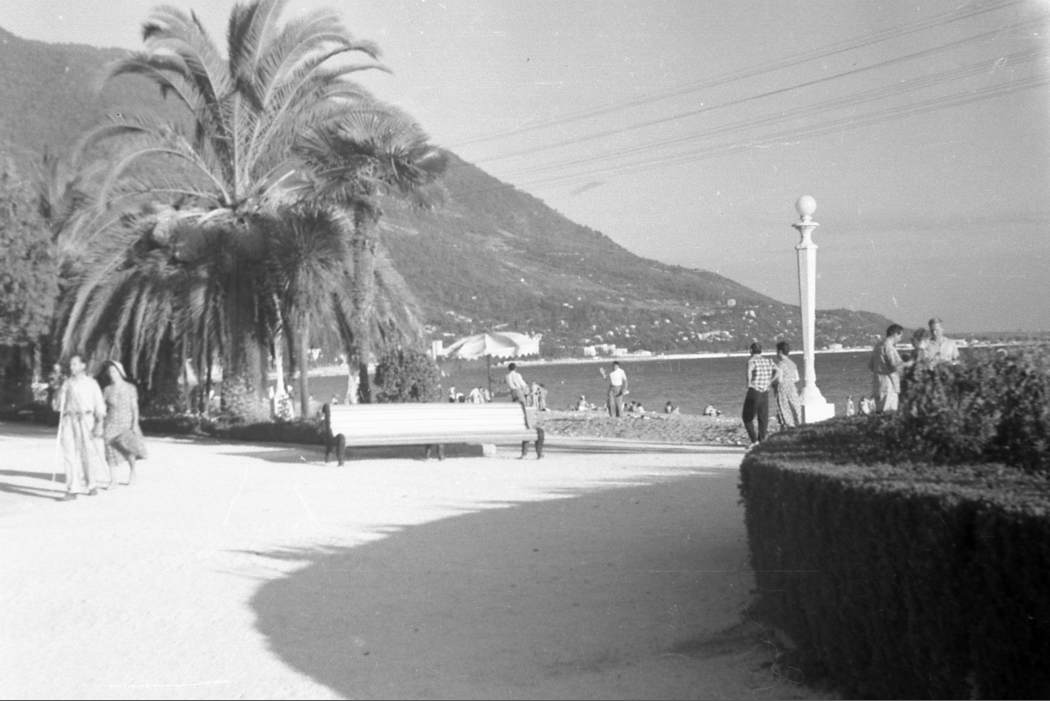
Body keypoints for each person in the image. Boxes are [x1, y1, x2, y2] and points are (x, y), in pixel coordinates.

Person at [54, 354, 106, 500]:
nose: (71, 367)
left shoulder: (91, 383)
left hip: (86, 419)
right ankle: (72, 489)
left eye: (75, 364)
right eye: (70, 364)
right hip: (68, 420)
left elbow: (99, 404)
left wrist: (99, 423)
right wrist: (59, 391)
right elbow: (57, 406)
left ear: (83, 366)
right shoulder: (67, 383)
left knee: (88, 454)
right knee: (69, 454)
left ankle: (91, 484)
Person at [101, 360, 145, 486]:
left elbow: (134, 407)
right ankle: (113, 480)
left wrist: (135, 423)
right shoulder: (107, 390)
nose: (112, 374)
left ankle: (132, 473)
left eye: (114, 371)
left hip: (126, 421)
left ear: (120, 372)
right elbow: (102, 406)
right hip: (111, 422)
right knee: (109, 449)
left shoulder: (130, 388)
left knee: (128, 449)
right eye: (110, 371)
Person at [742, 342, 781, 445]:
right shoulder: (769, 361)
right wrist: (770, 381)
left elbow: (749, 373)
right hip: (765, 392)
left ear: (751, 351)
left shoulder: (752, 361)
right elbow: (778, 371)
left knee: (747, 418)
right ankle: (762, 441)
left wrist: (748, 384)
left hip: (754, 390)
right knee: (763, 418)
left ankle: (754, 441)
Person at [868, 324, 906, 412]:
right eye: (900, 336)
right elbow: (896, 365)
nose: (900, 339)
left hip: (877, 386)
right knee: (889, 415)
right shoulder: (889, 347)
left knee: (880, 415)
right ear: (895, 335)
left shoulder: (878, 346)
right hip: (889, 388)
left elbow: (870, 366)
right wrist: (909, 362)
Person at [772, 340, 802, 429]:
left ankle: (788, 431)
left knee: (785, 412)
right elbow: (797, 378)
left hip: (782, 390)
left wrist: (772, 382)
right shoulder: (793, 364)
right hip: (792, 389)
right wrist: (789, 380)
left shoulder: (780, 364)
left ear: (780, 352)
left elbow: (779, 379)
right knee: (793, 410)